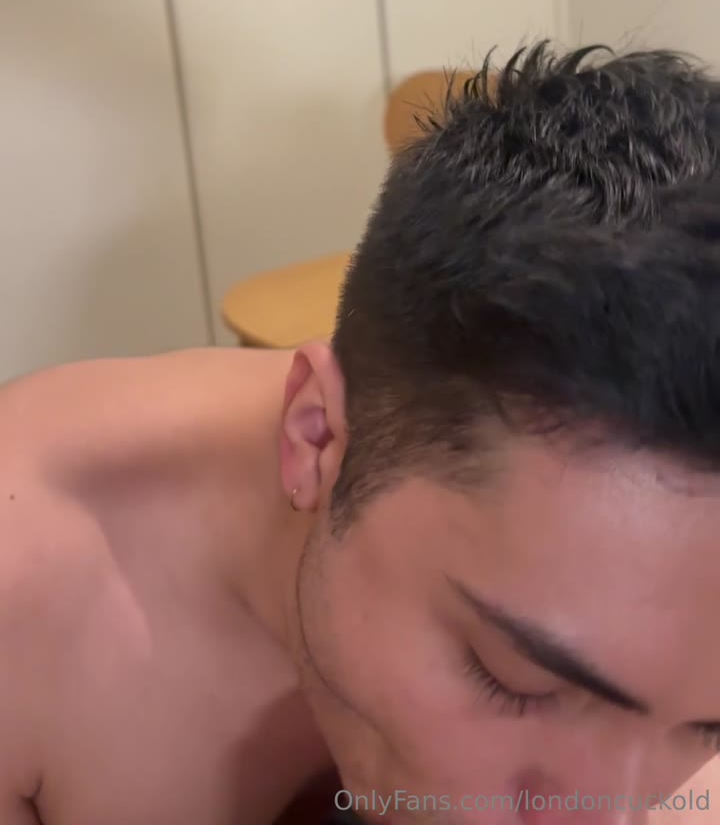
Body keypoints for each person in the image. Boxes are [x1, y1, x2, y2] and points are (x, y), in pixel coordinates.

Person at [3, 41, 720, 825]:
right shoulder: (30, 617)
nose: (611, 814)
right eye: (515, 681)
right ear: (315, 438)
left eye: (708, 726)